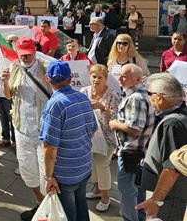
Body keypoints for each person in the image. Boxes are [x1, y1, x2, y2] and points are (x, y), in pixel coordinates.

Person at [0, 36, 52, 221]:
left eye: (28, 54)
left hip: (43, 130)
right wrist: (5, 82)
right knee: (28, 171)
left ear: (35, 52)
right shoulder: (14, 67)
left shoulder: (46, 67)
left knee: (47, 174)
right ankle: (40, 205)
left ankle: (50, 211)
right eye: (22, 54)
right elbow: (8, 95)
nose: (25, 57)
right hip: (21, 127)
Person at [39, 60, 97, 221]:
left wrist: (49, 177)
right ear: (70, 78)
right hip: (84, 166)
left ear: (47, 79)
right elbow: (92, 129)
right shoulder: (83, 98)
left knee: (68, 214)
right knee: (81, 205)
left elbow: (49, 147)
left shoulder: (54, 105)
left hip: (64, 174)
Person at [134, 73, 187, 221]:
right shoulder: (180, 114)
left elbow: (172, 167)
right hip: (169, 194)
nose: (148, 98)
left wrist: (156, 200)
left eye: (149, 94)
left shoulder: (172, 123)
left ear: (160, 97)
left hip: (168, 196)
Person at [109, 64, 154, 221]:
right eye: (119, 75)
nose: (119, 78)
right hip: (138, 153)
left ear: (136, 79)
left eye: (124, 76)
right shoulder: (140, 93)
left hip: (131, 153)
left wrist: (114, 124)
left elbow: (135, 128)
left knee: (127, 191)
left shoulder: (136, 98)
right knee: (137, 190)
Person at [81, 64, 120, 212]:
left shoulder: (112, 95)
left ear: (106, 78)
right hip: (88, 136)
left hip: (106, 138)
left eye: (100, 77)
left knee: (102, 165)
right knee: (93, 165)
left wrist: (102, 107)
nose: (96, 80)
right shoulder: (84, 92)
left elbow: (117, 117)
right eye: (94, 76)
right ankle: (97, 190)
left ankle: (106, 196)